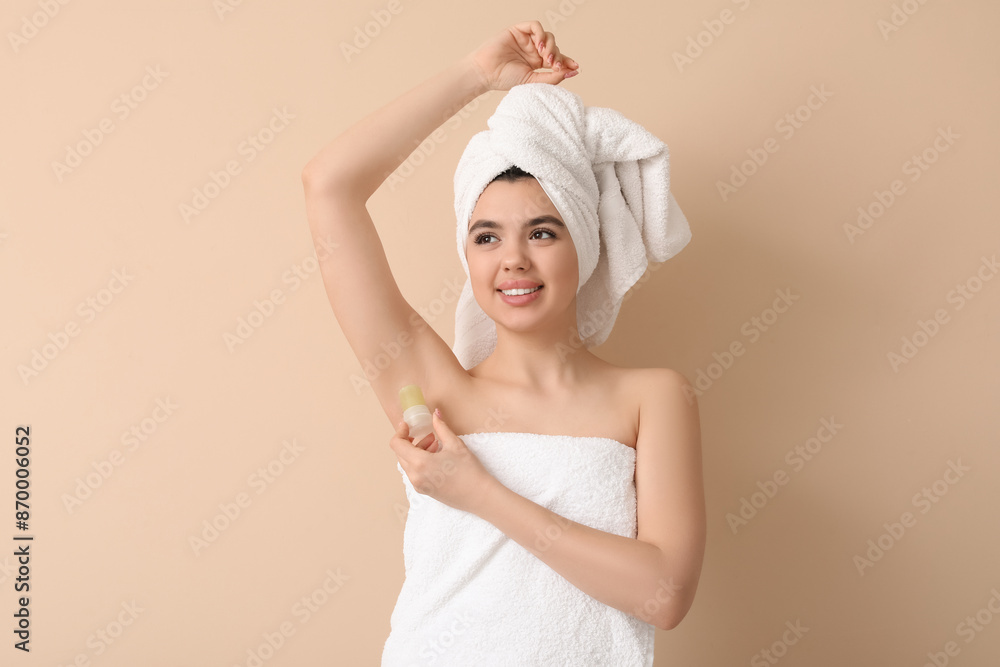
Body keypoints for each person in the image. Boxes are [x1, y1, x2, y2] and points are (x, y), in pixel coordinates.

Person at [301, 20, 705, 665]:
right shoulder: (436, 390)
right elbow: (329, 185)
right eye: (486, 237)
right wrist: (477, 76)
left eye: (543, 232)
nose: (511, 259)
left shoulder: (651, 399)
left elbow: (663, 595)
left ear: (586, 242)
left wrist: (479, 493)